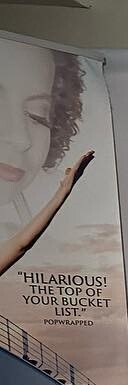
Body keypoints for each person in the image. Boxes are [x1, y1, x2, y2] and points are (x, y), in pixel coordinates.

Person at [0, 41, 89, 276]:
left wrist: (62, 192)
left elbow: (21, 245)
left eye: (37, 115)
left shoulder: (52, 252)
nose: (21, 139)